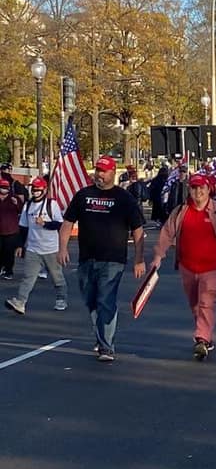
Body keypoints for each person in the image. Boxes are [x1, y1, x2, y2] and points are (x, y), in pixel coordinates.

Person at [58, 155, 146, 362]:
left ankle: (106, 347)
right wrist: (61, 248)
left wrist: (139, 259)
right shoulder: (83, 195)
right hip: (87, 258)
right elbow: (67, 223)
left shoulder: (124, 198)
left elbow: (138, 230)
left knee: (105, 300)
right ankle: (101, 338)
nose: (99, 174)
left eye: (103, 171)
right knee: (91, 301)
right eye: (97, 170)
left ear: (113, 173)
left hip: (113, 259)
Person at [150, 172, 216, 359]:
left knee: (207, 302)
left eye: (201, 188)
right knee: (195, 305)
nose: (198, 191)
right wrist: (159, 256)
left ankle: (201, 339)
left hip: (213, 267)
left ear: (209, 190)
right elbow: (167, 233)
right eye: (194, 187)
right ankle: (206, 336)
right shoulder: (181, 211)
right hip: (187, 266)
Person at [6, 177, 69, 315]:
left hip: (51, 249)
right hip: (33, 248)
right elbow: (23, 227)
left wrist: (45, 223)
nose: (35, 192)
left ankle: (61, 298)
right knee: (28, 277)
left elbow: (60, 224)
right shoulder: (28, 206)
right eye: (33, 189)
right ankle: (20, 302)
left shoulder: (51, 205)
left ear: (44, 190)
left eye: (38, 190)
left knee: (56, 276)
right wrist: (20, 245)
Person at [0, 178, 22, 278]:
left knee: (9, 252)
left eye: (5, 188)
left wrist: (16, 203)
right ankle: (1, 268)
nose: (3, 190)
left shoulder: (14, 198)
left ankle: (9, 271)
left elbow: (21, 210)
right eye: (2, 187)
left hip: (11, 231)